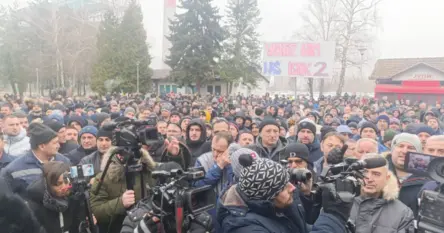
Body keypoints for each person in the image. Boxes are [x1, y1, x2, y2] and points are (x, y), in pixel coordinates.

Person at [218, 156, 351, 233]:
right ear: (267, 198)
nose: (293, 187)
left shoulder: (279, 206)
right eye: (283, 187)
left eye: (288, 181)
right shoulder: (243, 227)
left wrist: (310, 197)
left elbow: (301, 229)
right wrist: (334, 215)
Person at [90, 146, 156, 233]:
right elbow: (96, 211)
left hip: (147, 226)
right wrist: (120, 203)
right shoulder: (104, 177)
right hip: (117, 228)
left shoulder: (148, 172)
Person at [25, 161, 98, 233]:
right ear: (47, 184)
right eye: (58, 184)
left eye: (66, 182)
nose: (64, 187)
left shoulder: (75, 199)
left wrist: (86, 226)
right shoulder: (34, 207)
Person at [350, 153, 414, 233]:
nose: (369, 179)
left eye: (376, 174)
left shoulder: (403, 213)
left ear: (387, 178)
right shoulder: (342, 202)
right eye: (364, 172)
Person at [1, 123, 70, 194]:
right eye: (55, 143)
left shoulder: (64, 161)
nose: (58, 146)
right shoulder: (14, 169)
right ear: (42, 146)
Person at [387, 133, 429, 216]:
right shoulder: (378, 172)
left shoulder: (427, 179)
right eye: (400, 146)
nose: (404, 151)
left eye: (411, 148)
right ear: (392, 150)